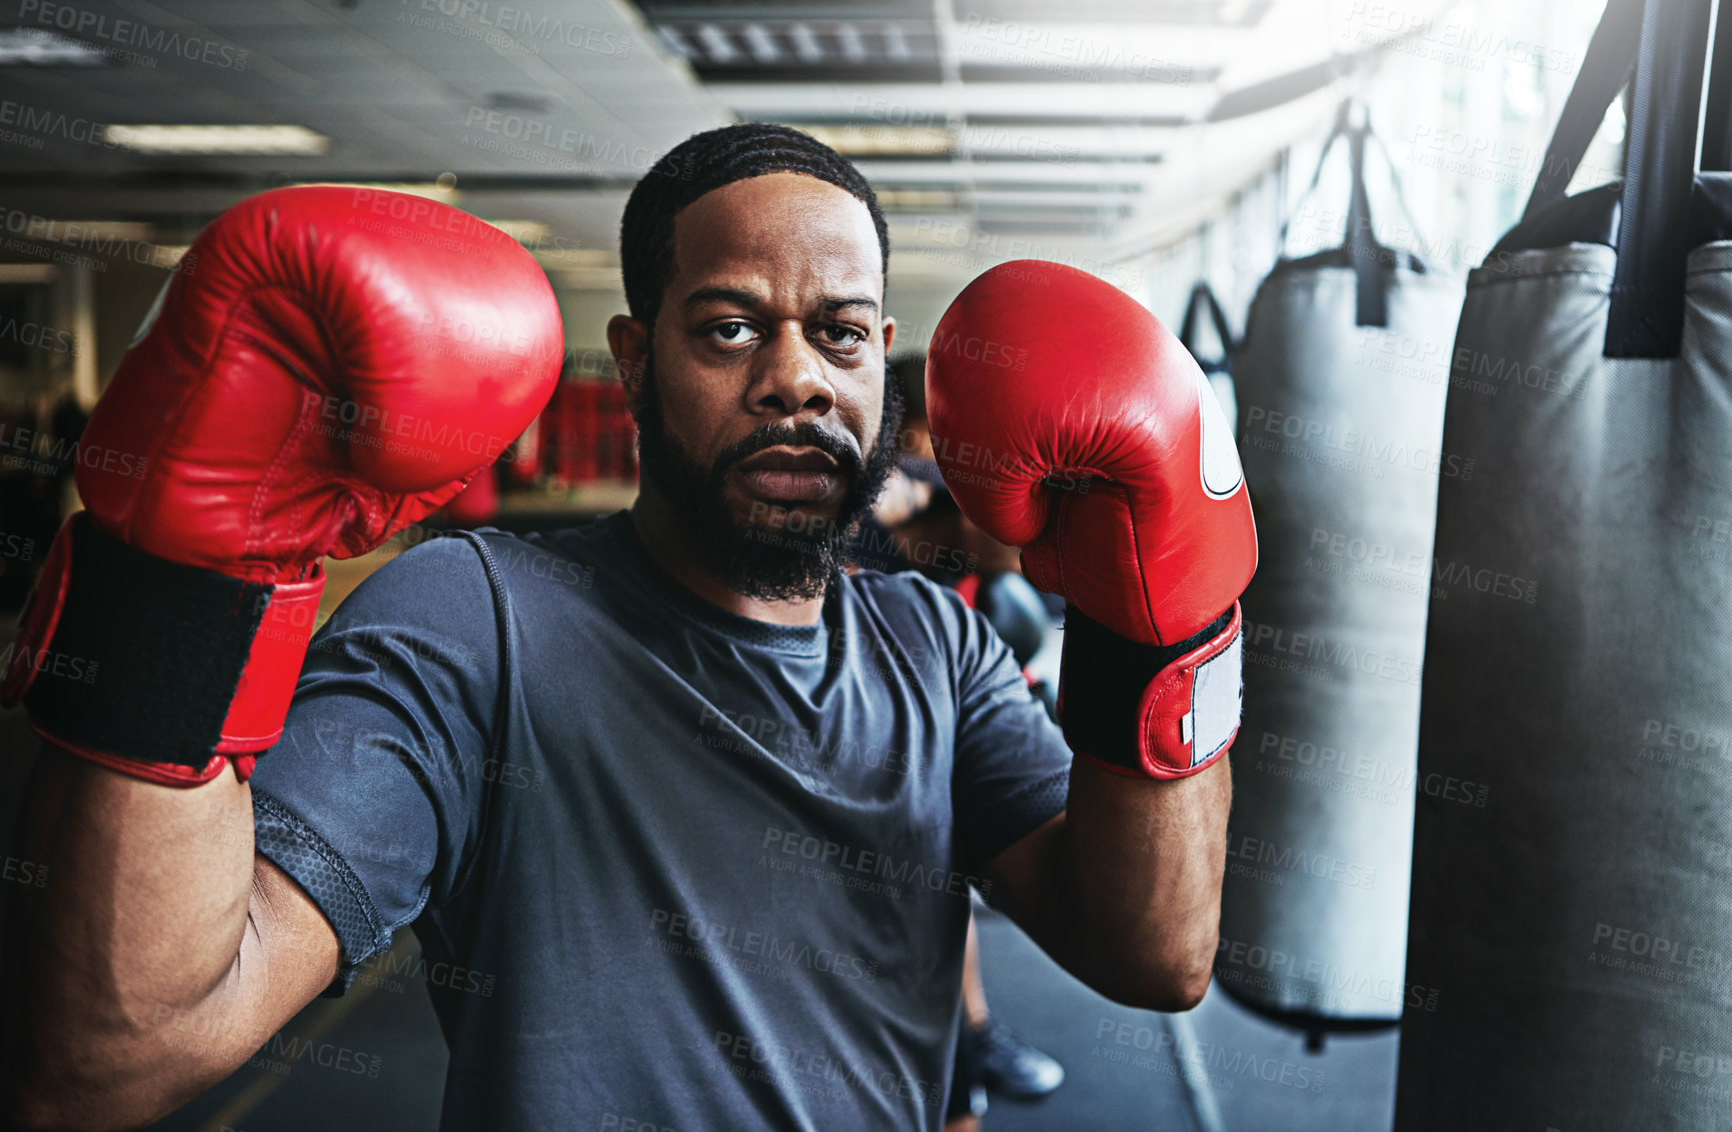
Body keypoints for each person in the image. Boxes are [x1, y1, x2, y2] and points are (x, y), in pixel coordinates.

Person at [0, 123, 1252, 1132]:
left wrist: (1160, 626)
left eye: (840, 333)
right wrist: (185, 574)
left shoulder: (937, 647)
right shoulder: (480, 620)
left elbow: (1155, 950)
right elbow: (113, 1055)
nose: (796, 375)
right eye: (728, 327)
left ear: (879, 359)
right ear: (635, 357)